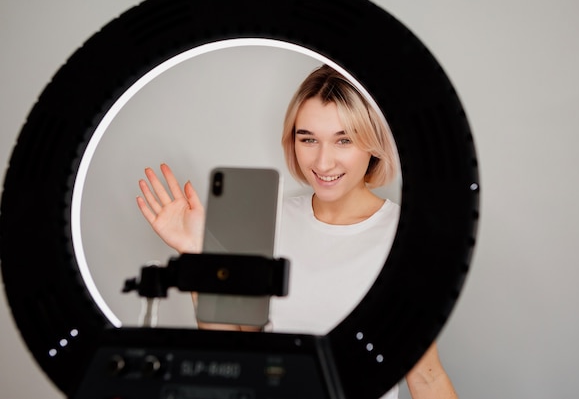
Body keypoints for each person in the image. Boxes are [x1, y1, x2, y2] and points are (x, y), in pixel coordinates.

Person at [136, 65, 458, 399]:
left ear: (372, 144)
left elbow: (427, 378)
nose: (323, 162)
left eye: (343, 140)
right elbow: (238, 349)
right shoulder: (268, 222)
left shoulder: (405, 238)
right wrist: (200, 258)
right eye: (308, 139)